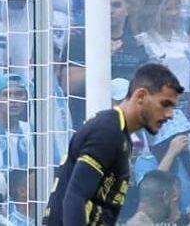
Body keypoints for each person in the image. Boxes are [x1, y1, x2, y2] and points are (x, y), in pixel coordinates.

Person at [43, 63, 182, 226]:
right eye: (164, 104)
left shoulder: (120, 135)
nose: (169, 115)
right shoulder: (107, 132)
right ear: (141, 96)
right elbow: (75, 195)